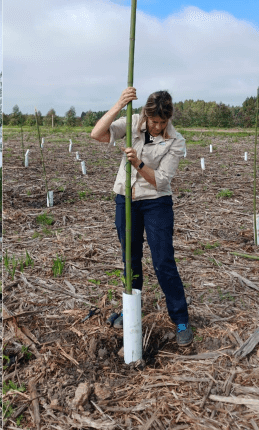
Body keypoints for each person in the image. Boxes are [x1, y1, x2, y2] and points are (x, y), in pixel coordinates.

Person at [90, 87, 193, 346]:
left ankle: (181, 319)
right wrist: (119, 104)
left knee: (163, 262)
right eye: (153, 121)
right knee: (130, 258)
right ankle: (130, 310)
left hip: (157, 203)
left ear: (168, 119)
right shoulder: (134, 122)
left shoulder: (176, 141)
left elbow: (160, 181)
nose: (156, 127)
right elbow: (96, 134)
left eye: (162, 122)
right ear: (145, 115)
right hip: (126, 200)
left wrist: (138, 164)